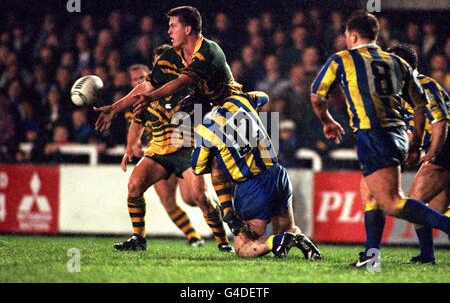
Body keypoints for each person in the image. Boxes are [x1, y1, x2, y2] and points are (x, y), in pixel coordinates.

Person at [310, 11, 450, 267]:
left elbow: (317, 96)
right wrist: (416, 142)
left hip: (375, 134)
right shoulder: (398, 65)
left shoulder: (344, 58)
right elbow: (419, 105)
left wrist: (328, 121)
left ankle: (441, 231)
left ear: (352, 35)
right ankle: (372, 256)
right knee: (369, 191)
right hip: (396, 135)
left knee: (393, 202)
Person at [97, 43, 233, 252]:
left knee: (199, 197)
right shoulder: (148, 91)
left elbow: (212, 110)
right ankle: (138, 239)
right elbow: (137, 121)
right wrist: (130, 147)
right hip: (159, 150)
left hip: (187, 148)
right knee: (135, 186)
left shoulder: (190, 86)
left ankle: (223, 243)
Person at [192, 90, 321, 259]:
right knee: (288, 228)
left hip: (252, 184)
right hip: (277, 173)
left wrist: (201, 145)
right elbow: (264, 97)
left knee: (242, 247)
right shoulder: (241, 100)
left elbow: (198, 167)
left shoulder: (206, 129)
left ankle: (282, 240)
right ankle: (295, 237)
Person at [357, 44, 450, 266]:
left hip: (444, 152)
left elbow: (442, 121)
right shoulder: (400, 93)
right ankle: (426, 256)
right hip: (439, 153)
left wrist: (432, 154)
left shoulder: (424, 85)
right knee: (428, 208)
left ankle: (424, 255)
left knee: (414, 203)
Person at [122, 49, 204, 247]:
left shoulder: (174, 91)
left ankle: (224, 223)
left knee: (192, 198)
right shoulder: (134, 108)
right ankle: (194, 237)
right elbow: (137, 129)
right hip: (158, 155)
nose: (137, 82)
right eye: (134, 79)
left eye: (141, 77)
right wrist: (133, 146)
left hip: (181, 150)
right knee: (168, 201)